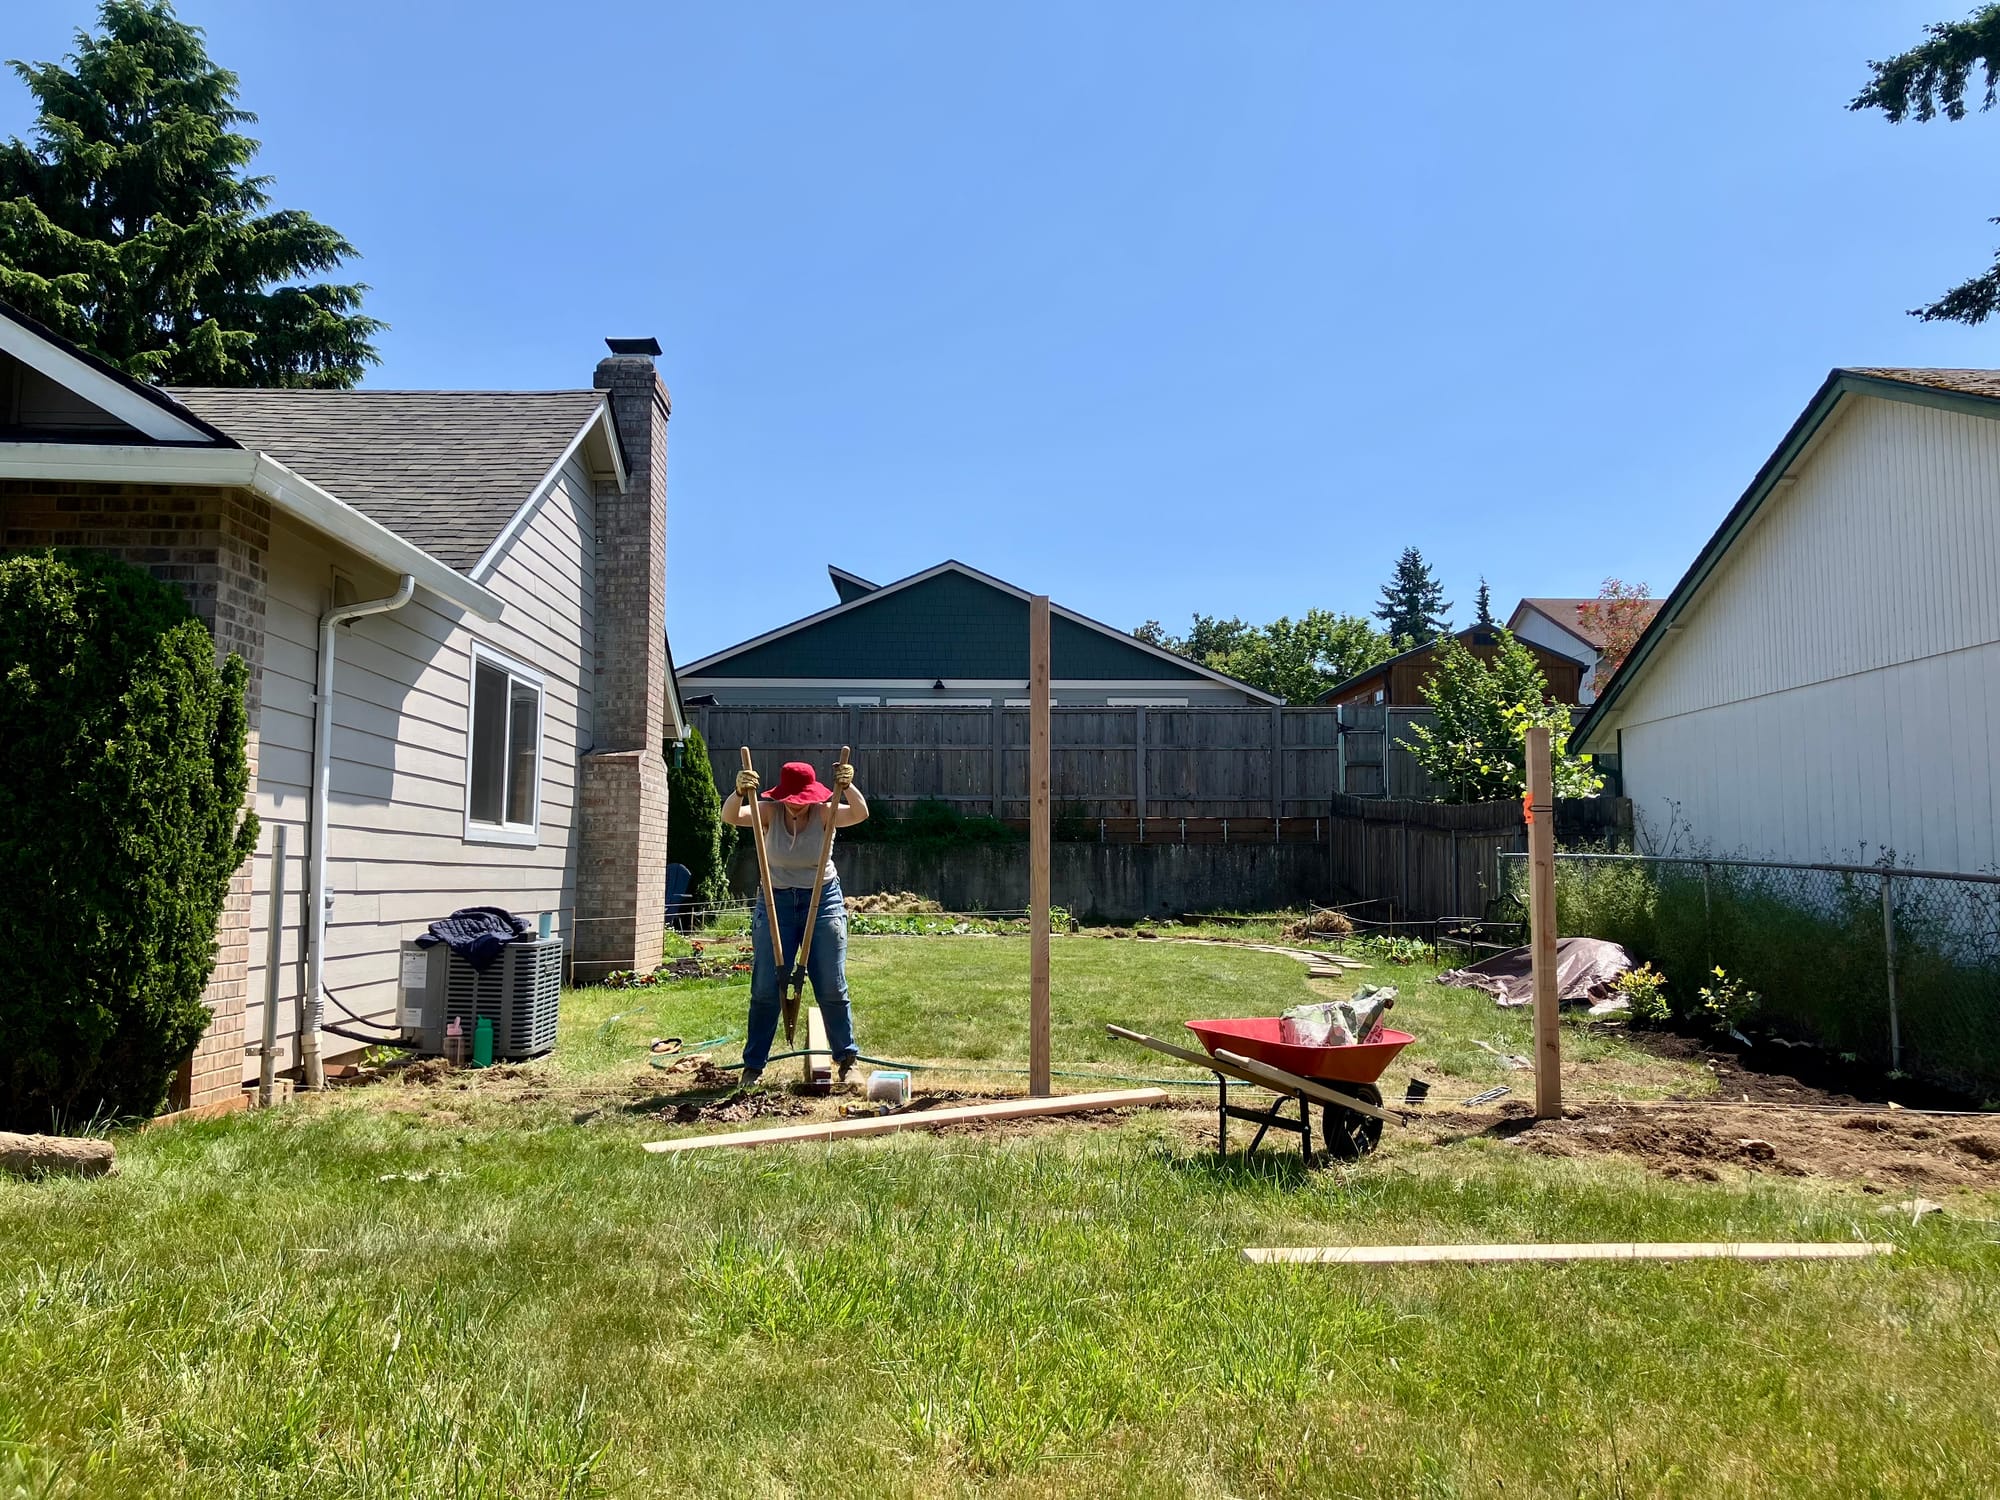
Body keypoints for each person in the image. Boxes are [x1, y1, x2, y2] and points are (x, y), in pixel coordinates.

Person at [720, 758, 869, 1087]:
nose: (797, 805)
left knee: (831, 983)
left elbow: (860, 813)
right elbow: (730, 816)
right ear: (780, 795)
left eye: (803, 799)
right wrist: (739, 792)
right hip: (776, 901)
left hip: (823, 899)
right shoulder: (768, 812)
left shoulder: (826, 811)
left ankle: (847, 1060)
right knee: (765, 986)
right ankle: (753, 1067)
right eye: (791, 799)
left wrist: (847, 787)